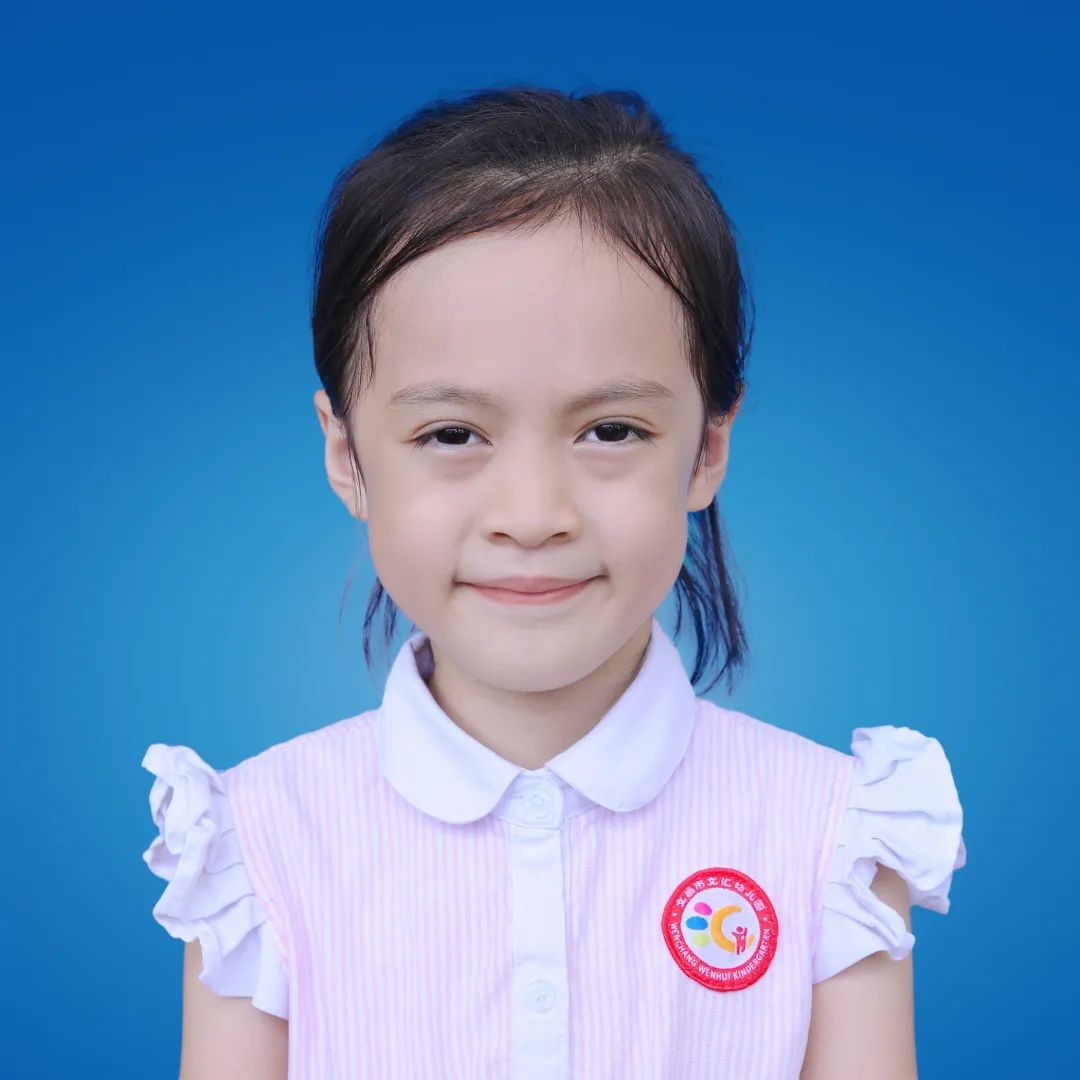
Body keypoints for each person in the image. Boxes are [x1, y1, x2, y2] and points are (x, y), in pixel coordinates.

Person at [141, 84, 966, 1080]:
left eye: (611, 430)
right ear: (346, 455)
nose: (532, 514)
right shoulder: (261, 845)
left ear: (708, 448)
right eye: (452, 434)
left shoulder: (830, 835)